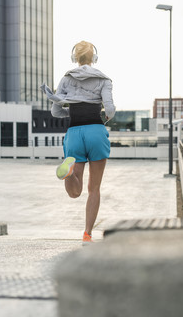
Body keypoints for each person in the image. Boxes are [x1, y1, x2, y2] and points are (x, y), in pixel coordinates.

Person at [40, 41, 115, 245]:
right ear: (95, 58)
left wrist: (70, 111)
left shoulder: (66, 78)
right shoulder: (104, 79)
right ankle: (87, 234)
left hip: (74, 132)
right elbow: (109, 109)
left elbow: (56, 111)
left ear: (75, 58)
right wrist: (103, 118)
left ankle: (70, 172)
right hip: (95, 132)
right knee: (94, 188)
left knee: (75, 191)